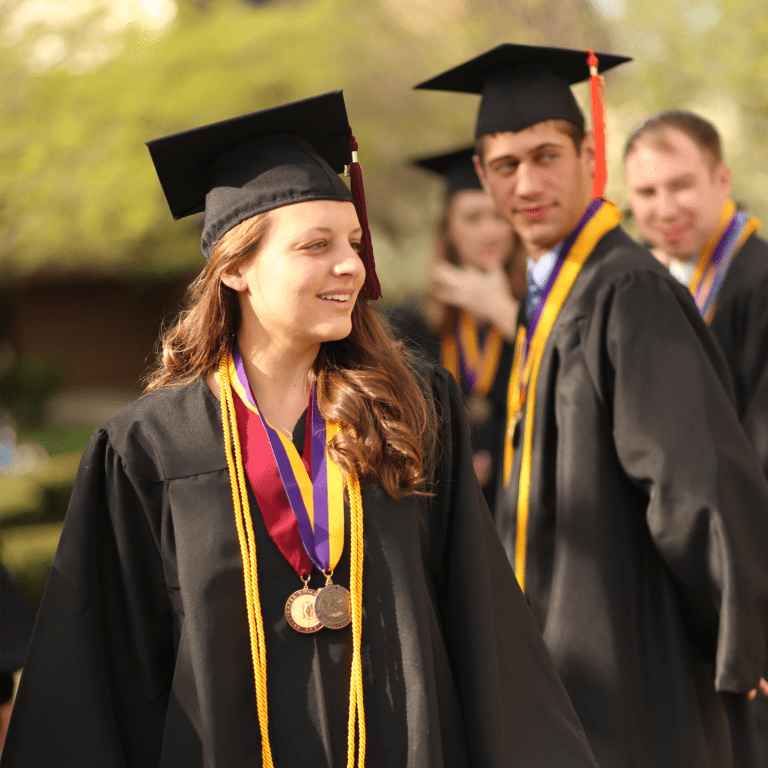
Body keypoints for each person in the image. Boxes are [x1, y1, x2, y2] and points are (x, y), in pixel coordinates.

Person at [0, 91, 599, 768]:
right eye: (316, 246)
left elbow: (486, 629)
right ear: (234, 269)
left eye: (352, 242)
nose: (351, 264)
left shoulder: (412, 408)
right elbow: (98, 677)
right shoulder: (148, 449)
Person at [416, 43, 768, 768]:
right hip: (568, 657)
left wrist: (746, 629)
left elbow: (692, 479)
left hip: (635, 661)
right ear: (482, 175)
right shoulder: (556, 293)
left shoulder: (624, 291)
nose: (528, 183)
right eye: (506, 166)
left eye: (547, 156)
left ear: (588, 154)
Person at [624, 107, 768, 764]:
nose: (664, 207)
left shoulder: (757, 284)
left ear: (721, 178)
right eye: (647, 193)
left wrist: (743, 603)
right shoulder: (664, 284)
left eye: (681, 185)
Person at [389, 147, 524, 511]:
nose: (490, 231)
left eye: (500, 216)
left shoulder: (542, 316)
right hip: (442, 508)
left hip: (524, 507)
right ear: (448, 230)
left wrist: (506, 314)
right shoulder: (406, 324)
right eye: (473, 218)